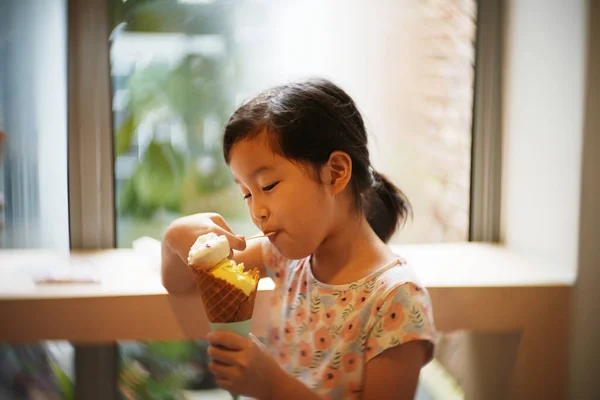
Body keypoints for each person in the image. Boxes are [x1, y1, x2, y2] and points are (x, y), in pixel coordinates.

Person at [161, 78, 436, 400]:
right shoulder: (280, 255)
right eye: (246, 193)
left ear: (334, 172)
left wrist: (274, 386)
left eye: (268, 186)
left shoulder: (397, 299)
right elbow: (179, 282)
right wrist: (175, 238)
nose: (257, 211)